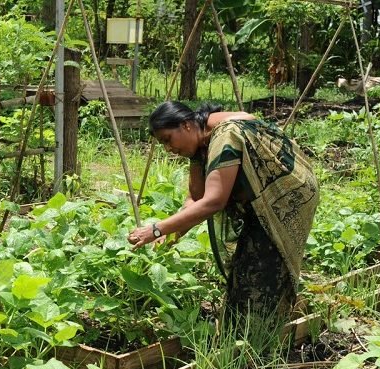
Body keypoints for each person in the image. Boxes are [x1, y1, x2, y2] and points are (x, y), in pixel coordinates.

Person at [127, 101, 318, 319]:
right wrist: (170, 235)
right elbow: (196, 198)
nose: (168, 149)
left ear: (186, 125)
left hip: (286, 197)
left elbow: (213, 201)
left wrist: (156, 229)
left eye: (167, 139)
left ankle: (266, 322)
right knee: (248, 267)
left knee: (263, 267)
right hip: (262, 201)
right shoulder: (200, 141)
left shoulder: (225, 135)